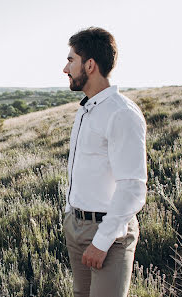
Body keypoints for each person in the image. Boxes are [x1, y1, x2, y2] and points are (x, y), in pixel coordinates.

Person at [62, 27, 147, 297]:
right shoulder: (86, 111)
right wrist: (69, 213)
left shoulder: (121, 114)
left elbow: (132, 188)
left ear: (90, 65)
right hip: (76, 227)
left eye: (71, 60)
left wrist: (101, 241)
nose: (65, 68)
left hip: (109, 234)